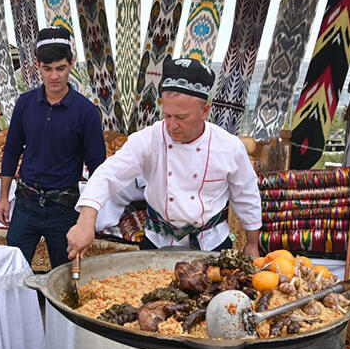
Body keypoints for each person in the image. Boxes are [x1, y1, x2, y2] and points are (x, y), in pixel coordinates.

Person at [67, 57, 262, 259]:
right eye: (167, 115)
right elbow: (108, 174)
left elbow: (246, 195)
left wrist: (252, 244)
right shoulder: (149, 139)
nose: (171, 126)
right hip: (157, 241)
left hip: (211, 243)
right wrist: (86, 220)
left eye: (181, 117)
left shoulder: (229, 147)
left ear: (204, 111)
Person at [0, 26, 106, 268]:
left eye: (61, 68)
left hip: (64, 207)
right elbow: (12, 150)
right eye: (47, 69)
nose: (54, 76)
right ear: (37, 66)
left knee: (64, 273)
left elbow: (98, 167)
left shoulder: (86, 111)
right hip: (25, 203)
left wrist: (89, 216)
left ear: (71, 64)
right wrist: (4, 196)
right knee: (13, 268)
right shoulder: (25, 103)